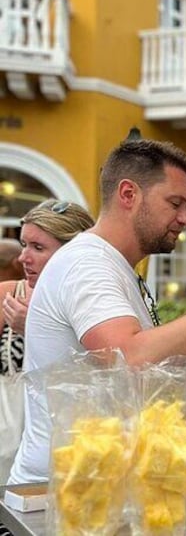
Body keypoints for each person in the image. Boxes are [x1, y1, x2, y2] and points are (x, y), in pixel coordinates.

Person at [9, 139, 186, 484]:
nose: (184, 219)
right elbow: (129, 359)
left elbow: (149, 362)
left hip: (94, 484)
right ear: (128, 194)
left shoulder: (112, 265)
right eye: (175, 203)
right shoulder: (88, 264)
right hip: (65, 494)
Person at [0, 200, 94, 485]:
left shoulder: (91, 303)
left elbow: (106, 371)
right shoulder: (8, 294)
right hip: (9, 441)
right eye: (23, 245)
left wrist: (37, 328)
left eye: (38, 248)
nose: (23, 258)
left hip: (74, 445)